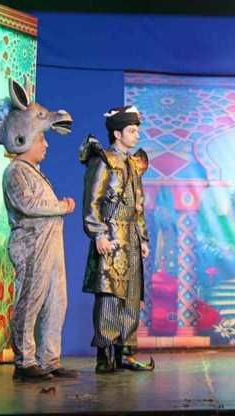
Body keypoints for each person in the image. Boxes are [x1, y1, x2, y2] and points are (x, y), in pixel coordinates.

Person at [0, 78, 77, 381]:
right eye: (41, 138)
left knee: (56, 302)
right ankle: (25, 361)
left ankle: (49, 358)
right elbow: (28, 205)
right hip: (32, 247)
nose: (46, 144)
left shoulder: (34, 172)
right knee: (30, 300)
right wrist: (61, 206)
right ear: (23, 139)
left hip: (51, 245)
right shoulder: (15, 172)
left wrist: (59, 206)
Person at [79, 105, 154, 373]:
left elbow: (138, 206)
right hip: (111, 235)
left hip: (131, 236)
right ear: (117, 133)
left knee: (132, 295)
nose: (136, 135)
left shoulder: (133, 164)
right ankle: (105, 354)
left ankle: (126, 352)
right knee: (110, 295)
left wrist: (143, 238)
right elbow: (93, 200)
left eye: (136, 130)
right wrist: (98, 233)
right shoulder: (103, 160)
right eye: (132, 131)